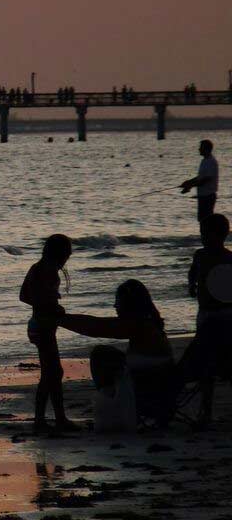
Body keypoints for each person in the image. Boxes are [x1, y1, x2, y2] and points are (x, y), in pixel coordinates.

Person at [58, 280, 175, 427]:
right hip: (155, 388)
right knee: (103, 353)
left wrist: (60, 320)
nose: (115, 306)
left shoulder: (140, 327)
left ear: (129, 305)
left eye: (117, 302)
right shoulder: (148, 323)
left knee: (99, 355)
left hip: (150, 395)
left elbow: (97, 327)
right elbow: (100, 324)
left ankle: (109, 400)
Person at [20, 234, 79, 434]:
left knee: (53, 372)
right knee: (51, 373)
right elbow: (31, 297)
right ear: (59, 253)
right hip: (42, 326)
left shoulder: (38, 268)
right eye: (67, 253)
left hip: (40, 324)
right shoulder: (46, 270)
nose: (68, 257)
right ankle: (46, 419)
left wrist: (48, 305)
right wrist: (51, 307)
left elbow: (25, 295)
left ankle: (53, 418)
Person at [180, 213, 232, 426]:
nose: (202, 238)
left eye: (206, 234)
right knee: (206, 363)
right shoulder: (200, 256)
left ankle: (207, 410)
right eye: (202, 234)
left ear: (222, 235)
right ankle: (206, 409)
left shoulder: (229, 258)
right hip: (206, 313)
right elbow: (193, 273)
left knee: (225, 360)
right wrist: (192, 285)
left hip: (226, 314)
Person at [181, 139, 219, 226]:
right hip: (202, 196)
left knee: (206, 221)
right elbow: (200, 177)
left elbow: (206, 180)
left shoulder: (211, 162)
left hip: (208, 196)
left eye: (201, 148)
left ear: (206, 149)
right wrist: (188, 182)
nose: (199, 149)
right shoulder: (204, 161)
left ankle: (208, 237)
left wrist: (190, 185)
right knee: (202, 220)